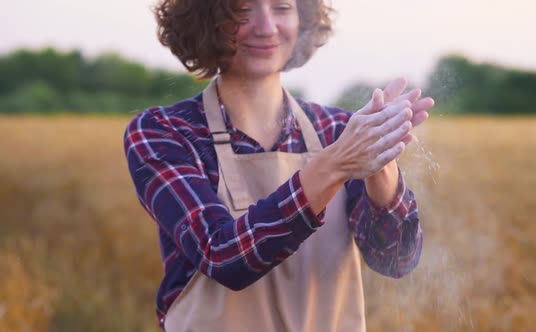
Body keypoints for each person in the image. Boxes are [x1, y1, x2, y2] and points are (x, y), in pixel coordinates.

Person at [123, 0, 435, 331]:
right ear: (208, 18)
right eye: (243, 8)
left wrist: (380, 166)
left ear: (303, 20)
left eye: (282, 7)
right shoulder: (164, 132)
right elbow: (224, 256)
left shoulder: (337, 130)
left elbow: (395, 259)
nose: (267, 26)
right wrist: (336, 163)